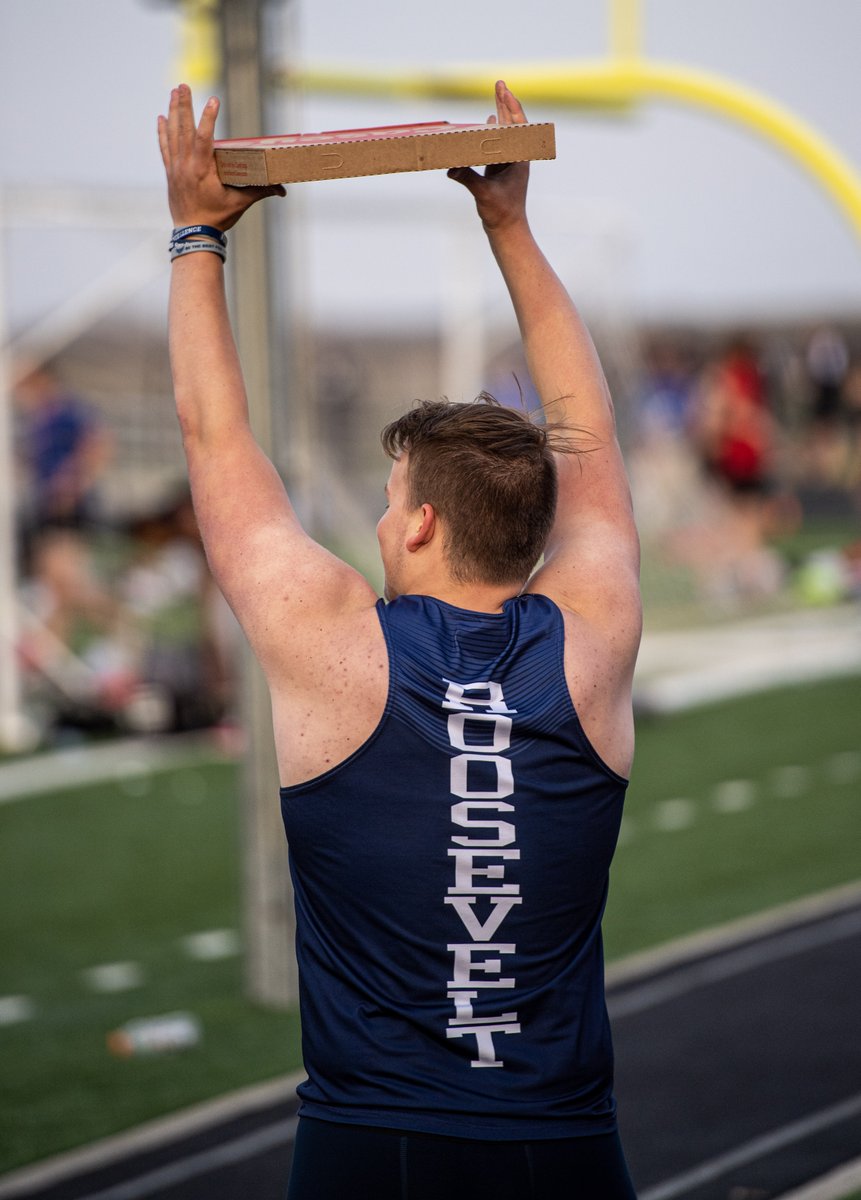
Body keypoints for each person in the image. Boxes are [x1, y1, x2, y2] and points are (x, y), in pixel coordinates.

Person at [158, 80, 641, 1200]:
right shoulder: (594, 638)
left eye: (388, 498)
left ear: (419, 523)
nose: (382, 517)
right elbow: (589, 436)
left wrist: (196, 234)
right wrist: (510, 225)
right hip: (560, 1150)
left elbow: (211, 434)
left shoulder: (331, 644)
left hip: (374, 1151)